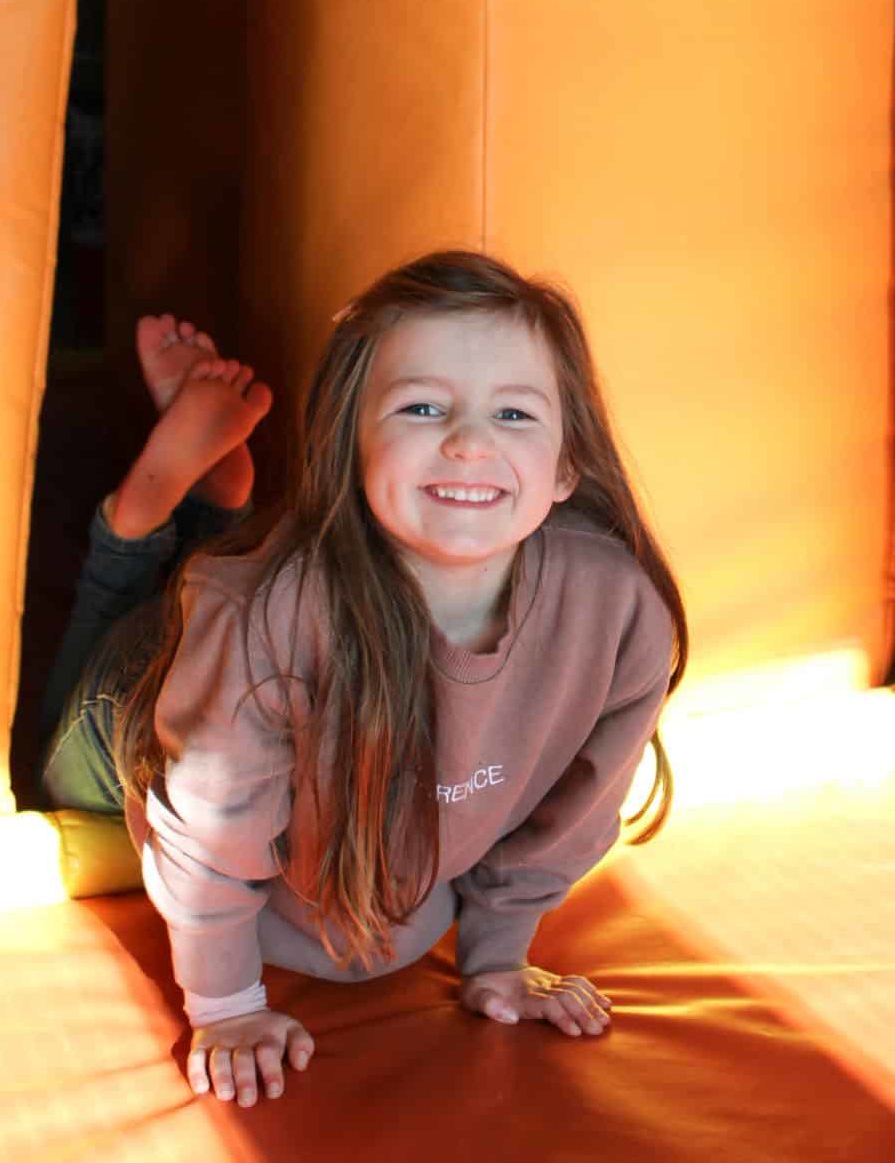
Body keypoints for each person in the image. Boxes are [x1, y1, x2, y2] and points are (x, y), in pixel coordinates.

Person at [39, 249, 688, 1111]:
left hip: (250, 642)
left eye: (515, 414)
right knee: (42, 753)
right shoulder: (267, 617)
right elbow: (206, 834)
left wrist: (499, 958)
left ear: (567, 467)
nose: (468, 440)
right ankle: (149, 504)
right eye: (422, 407)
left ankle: (219, 500)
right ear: (350, 444)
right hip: (150, 684)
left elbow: (572, 811)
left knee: (220, 599)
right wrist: (227, 1008)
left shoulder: (617, 610)